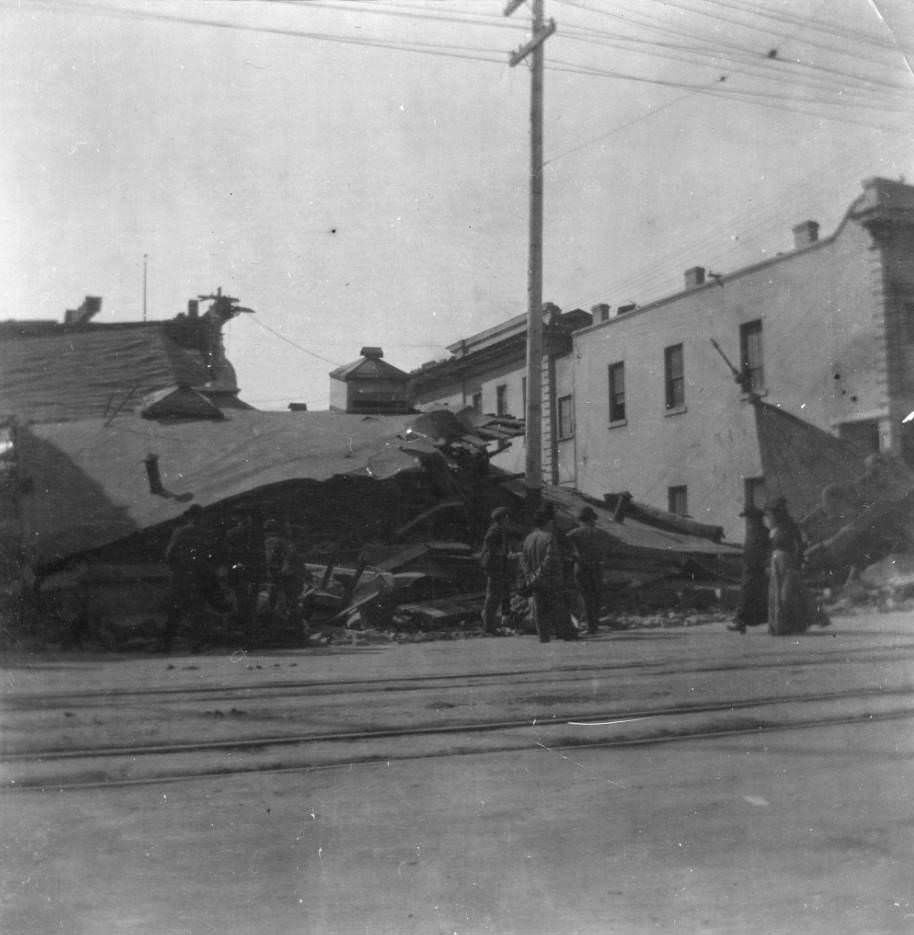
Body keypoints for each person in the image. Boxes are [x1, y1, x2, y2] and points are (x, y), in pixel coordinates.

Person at [160, 505, 214, 652]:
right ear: (201, 517)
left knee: (175, 611)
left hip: (180, 576)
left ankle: (166, 644)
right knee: (196, 612)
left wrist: (176, 569)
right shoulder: (205, 534)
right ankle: (196, 645)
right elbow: (209, 558)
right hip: (197, 577)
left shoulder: (180, 532)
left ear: (189, 517)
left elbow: (169, 554)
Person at [765, 497, 822, 635]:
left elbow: (799, 545)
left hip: (788, 563)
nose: (769, 518)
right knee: (777, 595)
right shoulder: (775, 529)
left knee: (787, 595)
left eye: (771, 515)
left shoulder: (789, 527)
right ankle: (780, 626)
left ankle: (793, 625)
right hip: (777, 563)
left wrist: (798, 562)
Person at [521, 503, 576, 643]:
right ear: (549, 522)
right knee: (559, 607)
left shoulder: (528, 538)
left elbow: (523, 560)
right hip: (551, 580)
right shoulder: (549, 537)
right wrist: (539, 575)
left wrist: (530, 577)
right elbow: (550, 559)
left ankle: (543, 637)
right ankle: (566, 634)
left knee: (540, 610)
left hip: (534, 581)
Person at [565, 505, 609, 634]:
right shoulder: (601, 533)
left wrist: (573, 557)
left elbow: (562, 545)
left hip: (581, 568)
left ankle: (586, 625)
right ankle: (593, 626)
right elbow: (607, 550)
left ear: (581, 519)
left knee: (585, 597)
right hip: (598, 568)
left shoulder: (574, 533)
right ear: (591, 519)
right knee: (596, 597)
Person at [727, 504, 771, 633]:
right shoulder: (753, 531)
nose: (748, 521)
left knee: (750, 598)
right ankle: (741, 622)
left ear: (756, 519)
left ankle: (741, 622)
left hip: (756, 570)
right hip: (750, 569)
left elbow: (765, 551)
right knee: (748, 598)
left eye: (750, 518)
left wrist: (762, 564)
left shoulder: (762, 532)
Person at [480, 506, 513, 634]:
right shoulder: (495, 529)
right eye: (507, 517)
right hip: (494, 566)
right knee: (493, 596)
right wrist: (499, 552)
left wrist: (505, 553)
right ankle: (489, 627)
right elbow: (488, 541)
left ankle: (489, 624)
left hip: (496, 565)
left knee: (495, 595)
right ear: (504, 518)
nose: (508, 519)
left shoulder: (500, 529)